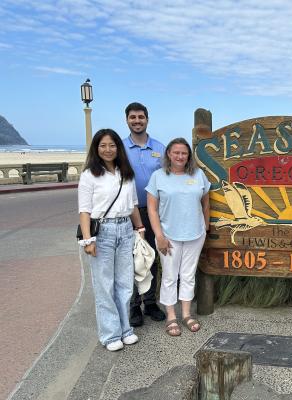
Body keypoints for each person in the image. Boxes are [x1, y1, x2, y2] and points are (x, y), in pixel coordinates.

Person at [78, 129, 145, 351]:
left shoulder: (125, 173)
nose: (108, 150)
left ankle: (126, 330)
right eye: (103, 145)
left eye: (112, 145)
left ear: (119, 147)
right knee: (104, 285)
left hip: (125, 228)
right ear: (96, 149)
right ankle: (110, 334)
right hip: (102, 231)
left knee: (125, 284)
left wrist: (140, 227)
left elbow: (133, 204)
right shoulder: (89, 175)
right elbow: (85, 210)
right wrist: (88, 240)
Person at [146, 138, 211, 336]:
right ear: (168, 154)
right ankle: (171, 316)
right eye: (176, 153)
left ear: (188, 156)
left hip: (195, 234)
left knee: (188, 275)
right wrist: (159, 235)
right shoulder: (158, 176)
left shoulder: (198, 175)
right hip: (169, 235)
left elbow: (206, 203)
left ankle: (186, 314)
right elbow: (152, 208)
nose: (180, 156)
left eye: (184, 153)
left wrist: (206, 227)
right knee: (169, 276)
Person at [123, 102, 167, 327]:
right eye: (133, 117)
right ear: (127, 120)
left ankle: (150, 302)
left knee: (151, 256)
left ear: (147, 119)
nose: (137, 121)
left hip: (153, 211)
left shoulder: (159, 148)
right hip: (128, 211)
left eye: (141, 117)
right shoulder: (120, 148)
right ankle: (134, 305)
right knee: (131, 258)